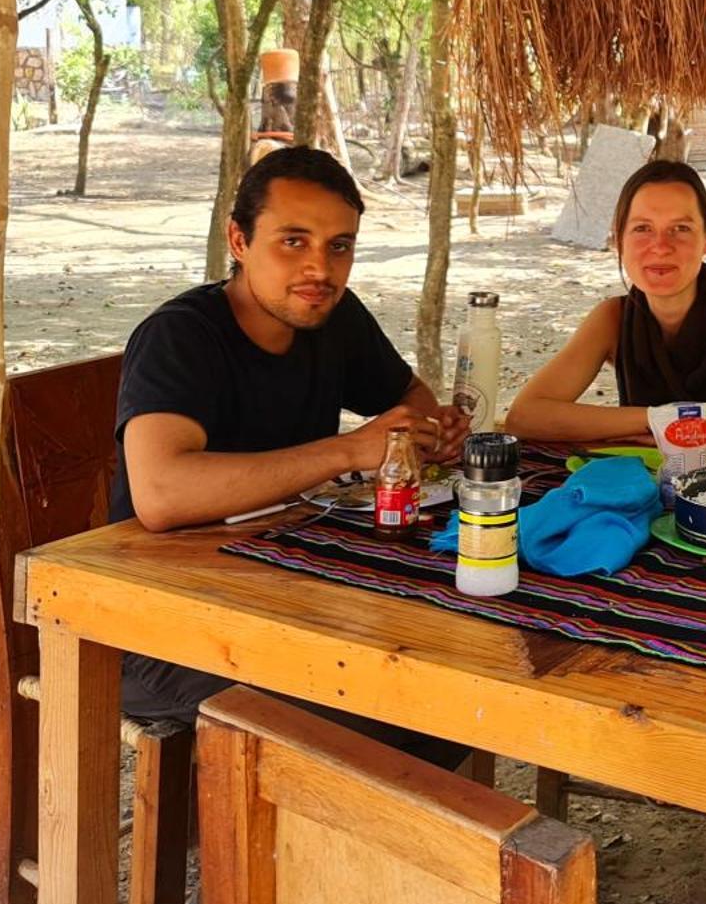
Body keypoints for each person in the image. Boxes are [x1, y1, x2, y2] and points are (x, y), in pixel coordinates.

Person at [111, 146, 469, 766]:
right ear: (239, 239)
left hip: (277, 593)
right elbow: (161, 494)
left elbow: (410, 397)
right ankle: (261, 851)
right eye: (293, 241)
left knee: (447, 684)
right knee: (379, 724)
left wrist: (419, 433)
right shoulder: (182, 337)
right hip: (154, 627)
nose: (319, 269)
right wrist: (346, 451)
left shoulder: (332, 318)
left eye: (339, 246)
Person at [507, 160, 706, 464]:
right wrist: (657, 419)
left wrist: (668, 436)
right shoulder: (612, 318)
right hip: (643, 496)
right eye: (642, 228)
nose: (661, 246)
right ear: (618, 238)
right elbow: (525, 417)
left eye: (681, 228)